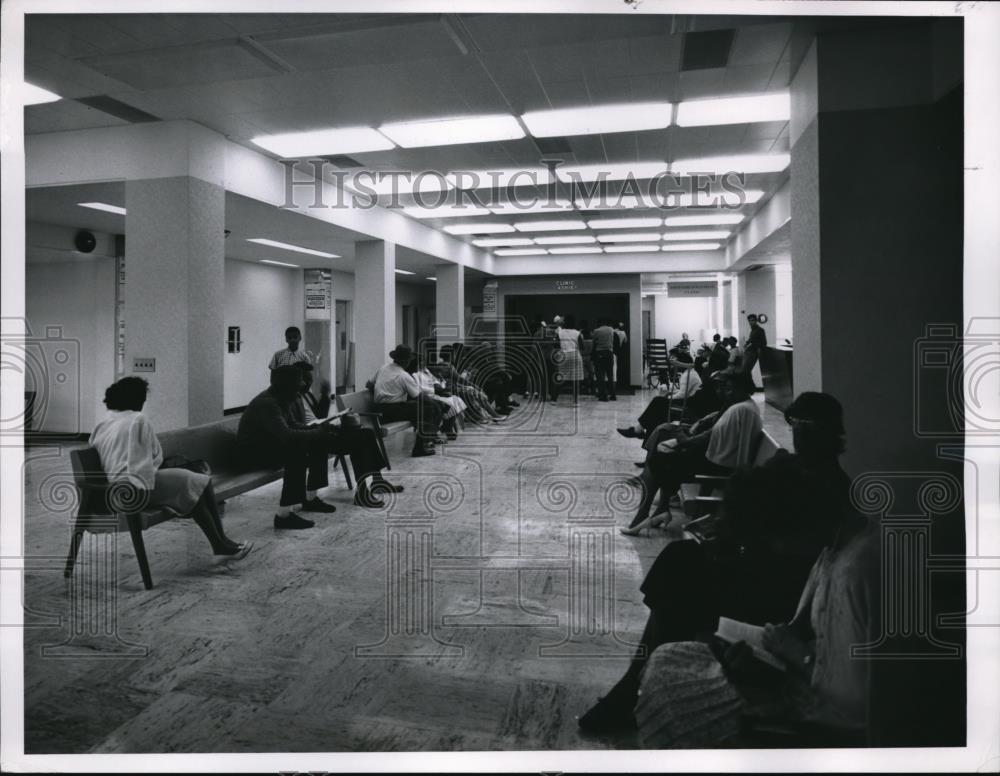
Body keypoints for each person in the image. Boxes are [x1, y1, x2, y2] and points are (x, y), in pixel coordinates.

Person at [579, 392, 852, 738]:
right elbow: (752, 512)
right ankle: (633, 686)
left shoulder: (830, 485)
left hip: (776, 590)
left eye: (808, 426)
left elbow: (797, 557)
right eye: (794, 423)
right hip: (756, 566)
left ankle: (631, 688)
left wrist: (738, 542)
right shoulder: (791, 465)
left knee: (680, 573)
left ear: (831, 433)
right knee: (680, 567)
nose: (799, 432)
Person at [89, 377, 252, 559]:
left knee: (198, 481)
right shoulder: (138, 420)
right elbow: (147, 460)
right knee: (195, 481)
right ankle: (220, 542)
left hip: (113, 488)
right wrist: (160, 464)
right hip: (137, 488)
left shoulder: (102, 423)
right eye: (142, 400)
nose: (143, 404)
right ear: (135, 399)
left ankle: (221, 541)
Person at [621, 372, 761, 534]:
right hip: (715, 459)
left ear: (743, 389)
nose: (725, 392)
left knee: (659, 460)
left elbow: (727, 443)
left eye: (730, 389)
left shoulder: (742, 410)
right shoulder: (738, 406)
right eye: (725, 388)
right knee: (663, 452)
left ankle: (645, 515)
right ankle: (658, 510)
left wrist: (683, 440)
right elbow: (713, 433)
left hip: (718, 465)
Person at [238, 366, 340, 529]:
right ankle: (283, 515)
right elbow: (286, 434)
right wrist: (316, 433)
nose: (299, 390)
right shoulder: (268, 403)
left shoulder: (281, 398)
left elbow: (293, 425)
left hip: (267, 446)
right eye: (296, 386)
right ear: (285, 386)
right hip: (250, 455)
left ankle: (310, 498)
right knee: (296, 452)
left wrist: (317, 431)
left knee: (318, 442)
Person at [293, 362, 402, 506]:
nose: (308, 384)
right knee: (359, 440)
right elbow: (295, 425)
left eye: (310, 380)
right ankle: (362, 492)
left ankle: (378, 482)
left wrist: (325, 398)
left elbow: (319, 415)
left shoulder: (307, 395)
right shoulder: (292, 398)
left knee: (367, 434)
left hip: (323, 431)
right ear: (296, 380)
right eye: (304, 381)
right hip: (314, 438)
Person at [370, 344, 443, 457]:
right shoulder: (403, 375)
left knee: (415, 408)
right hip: (391, 411)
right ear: (406, 362)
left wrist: (380, 392)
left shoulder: (383, 368)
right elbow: (419, 397)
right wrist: (436, 405)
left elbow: (368, 384)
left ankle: (428, 439)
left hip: (378, 409)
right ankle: (420, 448)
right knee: (427, 410)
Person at [412, 355, 466, 440]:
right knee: (447, 403)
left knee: (456, 400)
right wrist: (435, 389)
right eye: (420, 361)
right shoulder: (415, 374)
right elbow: (419, 388)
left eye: (423, 360)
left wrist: (441, 386)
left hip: (435, 393)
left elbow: (434, 381)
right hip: (425, 396)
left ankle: (447, 427)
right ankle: (445, 429)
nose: (423, 362)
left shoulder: (427, 371)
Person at [554, 314, 584, 404]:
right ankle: (575, 401)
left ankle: (554, 399)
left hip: (563, 355)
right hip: (575, 355)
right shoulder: (577, 333)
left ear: (564, 322)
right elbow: (582, 347)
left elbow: (556, 345)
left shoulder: (560, 332)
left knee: (560, 378)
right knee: (576, 379)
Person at [591, 318, 618, 402]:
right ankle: (613, 395)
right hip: (609, 353)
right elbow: (613, 341)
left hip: (600, 353)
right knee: (610, 375)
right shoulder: (611, 330)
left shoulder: (596, 331)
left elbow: (594, 343)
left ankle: (603, 395)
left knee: (600, 375)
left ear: (599, 324)